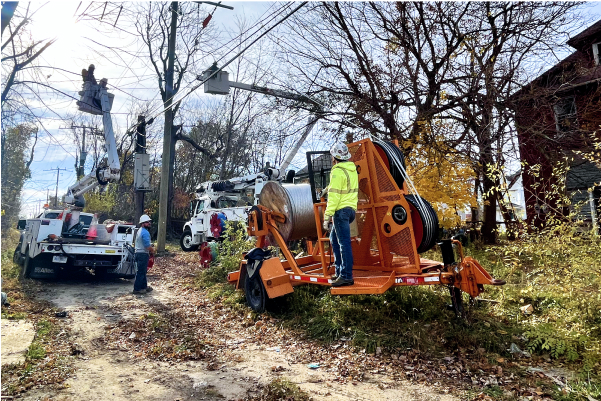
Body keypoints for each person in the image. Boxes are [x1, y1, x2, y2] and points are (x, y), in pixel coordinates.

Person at [324, 142, 359, 287]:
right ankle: (339, 272)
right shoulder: (351, 170)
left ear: (334, 157)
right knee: (334, 239)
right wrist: (328, 187)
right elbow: (345, 188)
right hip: (351, 210)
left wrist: (327, 216)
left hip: (341, 212)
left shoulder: (337, 171)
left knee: (344, 243)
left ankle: (346, 276)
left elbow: (334, 197)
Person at [133, 214, 155, 294]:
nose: (149, 223)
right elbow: (147, 246)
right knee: (141, 272)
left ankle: (144, 287)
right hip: (143, 254)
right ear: (143, 223)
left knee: (142, 271)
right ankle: (137, 289)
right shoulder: (145, 232)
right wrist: (152, 250)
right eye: (147, 222)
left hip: (138, 253)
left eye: (149, 221)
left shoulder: (140, 230)